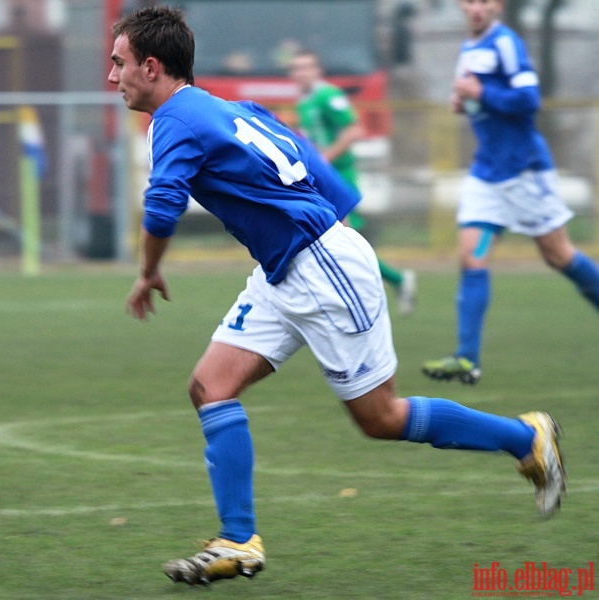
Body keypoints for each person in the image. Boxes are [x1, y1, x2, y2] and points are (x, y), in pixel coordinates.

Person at [109, 6, 565, 588]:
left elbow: (163, 205)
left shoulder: (172, 120)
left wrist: (147, 272)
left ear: (151, 67)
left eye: (118, 62)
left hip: (318, 267)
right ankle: (239, 540)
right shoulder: (229, 108)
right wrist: (331, 232)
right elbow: (309, 159)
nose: (112, 76)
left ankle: (527, 437)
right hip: (292, 267)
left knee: (380, 417)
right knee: (210, 386)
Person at [422, 0, 599, 384]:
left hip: (522, 172)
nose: (476, 8)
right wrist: (465, 101)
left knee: (558, 254)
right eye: (469, 1)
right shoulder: (469, 48)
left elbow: (528, 100)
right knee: (473, 256)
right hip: (488, 173)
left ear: (498, 5)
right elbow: (481, 98)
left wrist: (479, 93)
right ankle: (467, 358)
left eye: (484, 1)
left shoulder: (505, 42)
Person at [290, 50, 417, 316]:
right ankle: (390, 283)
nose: (301, 72)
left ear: (318, 71)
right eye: (297, 68)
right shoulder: (304, 102)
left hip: (339, 178)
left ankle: (378, 288)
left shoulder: (329, 96)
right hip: (320, 181)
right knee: (339, 241)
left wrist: (324, 159)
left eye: (307, 67)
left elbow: (354, 130)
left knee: (343, 241)